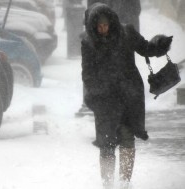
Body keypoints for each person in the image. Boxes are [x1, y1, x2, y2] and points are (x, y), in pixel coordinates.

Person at [81, 3, 172, 189]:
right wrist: (99, 92)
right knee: (106, 144)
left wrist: (159, 45)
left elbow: (146, 48)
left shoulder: (126, 33)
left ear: (111, 22)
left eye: (105, 25)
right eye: (98, 26)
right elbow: (87, 74)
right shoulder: (88, 42)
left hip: (129, 98)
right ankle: (107, 185)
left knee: (126, 140)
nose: (103, 29)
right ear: (93, 26)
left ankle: (124, 184)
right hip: (105, 102)